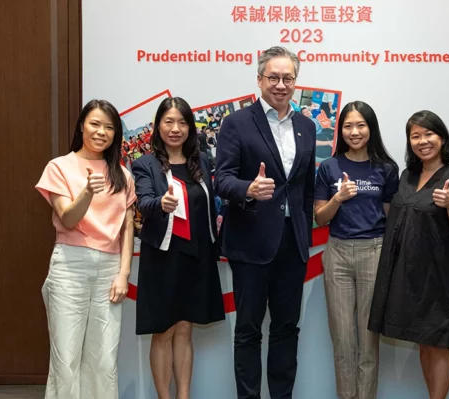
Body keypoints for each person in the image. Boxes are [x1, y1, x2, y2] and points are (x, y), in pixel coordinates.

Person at [214, 45, 317, 399]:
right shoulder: (236, 123)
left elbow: (303, 189)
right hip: (251, 243)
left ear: (295, 82)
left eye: (288, 78)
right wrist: (249, 189)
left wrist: (304, 232)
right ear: (259, 80)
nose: (281, 84)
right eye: (273, 77)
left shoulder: (306, 125)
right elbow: (221, 179)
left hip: (292, 244)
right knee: (248, 331)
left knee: (287, 329)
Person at [368, 110, 449, 399]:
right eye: (415, 136)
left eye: (429, 134)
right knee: (423, 342)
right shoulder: (407, 175)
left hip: (439, 276)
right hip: (408, 275)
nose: (422, 141)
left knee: (438, 343)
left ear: (442, 138)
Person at [35, 99, 136, 399]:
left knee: (104, 358)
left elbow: (127, 227)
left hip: (110, 268)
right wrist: (87, 193)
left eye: (109, 127)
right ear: (82, 126)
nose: (101, 132)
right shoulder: (60, 167)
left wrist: (124, 273)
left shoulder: (122, 174)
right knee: (66, 358)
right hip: (70, 265)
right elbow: (67, 218)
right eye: (95, 124)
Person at [131, 97, 225, 399]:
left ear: (190, 127)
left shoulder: (202, 161)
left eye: (182, 122)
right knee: (165, 330)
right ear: (158, 125)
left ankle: (183, 396)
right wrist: (161, 203)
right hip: (162, 256)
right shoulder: (145, 164)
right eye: (169, 121)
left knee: (185, 329)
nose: (176, 128)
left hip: (197, 256)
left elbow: (212, 205)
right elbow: (143, 201)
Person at [314, 101, 399, 399]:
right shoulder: (329, 167)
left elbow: (391, 218)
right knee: (343, 341)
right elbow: (320, 217)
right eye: (348, 126)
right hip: (337, 254)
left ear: (371, 128)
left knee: (368, 341)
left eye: (360, 125)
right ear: (340, 130)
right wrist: (338, 198)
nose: (354, 132)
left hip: (373, 253)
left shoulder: (387, 169)